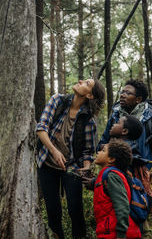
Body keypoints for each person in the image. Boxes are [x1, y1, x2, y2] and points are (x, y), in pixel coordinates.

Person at [98, 79, 152, 238]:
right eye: (122, 92)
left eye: (128, 93)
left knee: (141, 221)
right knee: (117, 218)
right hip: (116, 179)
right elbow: (103, 143)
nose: (122, 95)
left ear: (138, 99)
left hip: (140, 181)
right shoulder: (115, 117)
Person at [36, 78, 105, 239]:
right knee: (53, 209)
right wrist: (54, 151)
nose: (80, 81)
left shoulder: (88, 119)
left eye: (86, 83)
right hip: (47, 162)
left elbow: (88, 150)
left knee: (75, 208)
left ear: (90, 96)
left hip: (72, 166)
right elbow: (41, 128)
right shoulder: (57, 100)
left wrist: (87, 167)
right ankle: (57, 235)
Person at [91, 138, 141, 239]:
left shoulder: (112, 176)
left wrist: (121, 235)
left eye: (103, 150)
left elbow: (122, 206)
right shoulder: (107, 174)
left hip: (117, 234)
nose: (99, 152)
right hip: (108, 231)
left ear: (111, 159)